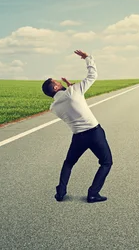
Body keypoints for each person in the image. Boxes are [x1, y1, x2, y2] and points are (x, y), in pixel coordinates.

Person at [41, 49, 112, 203]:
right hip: (94, 133)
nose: (59, 83)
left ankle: (60, 192)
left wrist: (70, 88)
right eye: (57, 82)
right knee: (106, 162)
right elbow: (92, 76)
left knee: (69, 163)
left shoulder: (53, 107)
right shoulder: (73, 91)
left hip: (78, 137)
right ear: (55, 87)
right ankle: (93, 193)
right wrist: (87, 58)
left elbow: (70, 102)